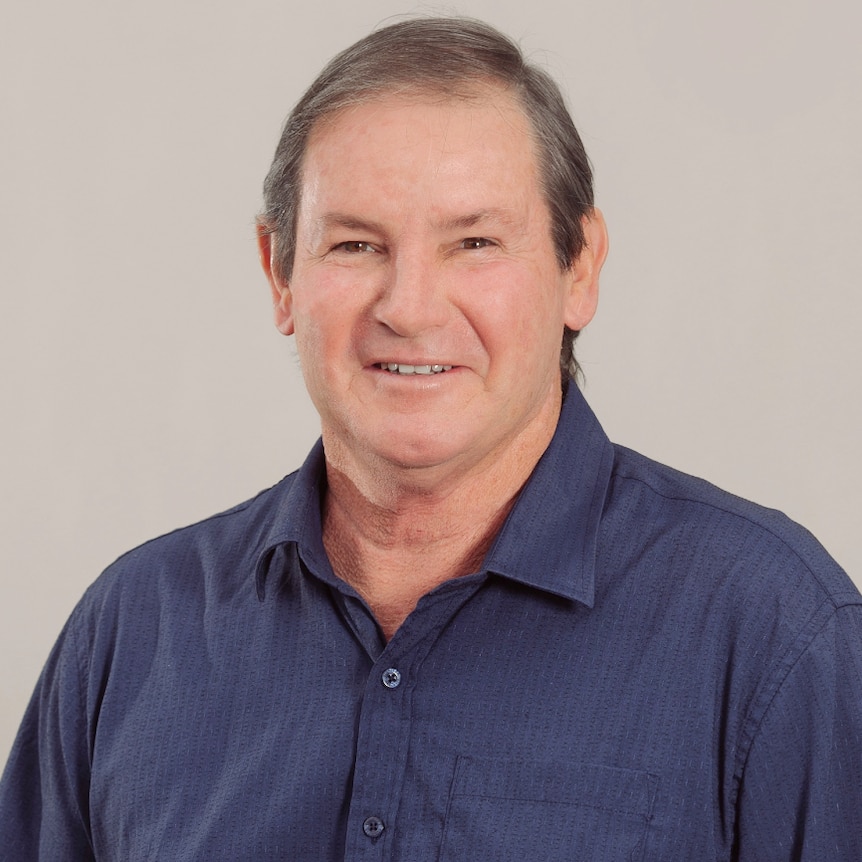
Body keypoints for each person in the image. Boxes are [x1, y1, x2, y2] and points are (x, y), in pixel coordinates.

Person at [1, 16, 860, 861]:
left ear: (580, 268)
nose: (409, 307)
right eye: (356, 244)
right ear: (281, 275)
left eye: (475, 242)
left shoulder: (775, 634)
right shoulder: (135, 631)